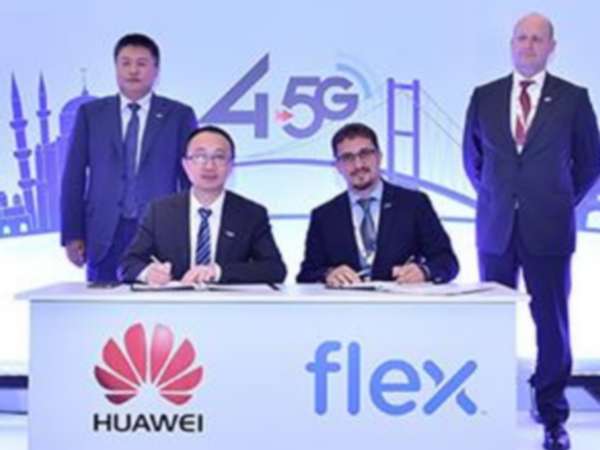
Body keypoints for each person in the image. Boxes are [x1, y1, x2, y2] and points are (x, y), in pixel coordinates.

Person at [462, 13, 600, 450]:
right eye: (521, 38)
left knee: (552, 324)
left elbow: (590, 162)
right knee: (492, 322)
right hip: (496, 227)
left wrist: (555, 197)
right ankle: (487, 408)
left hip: (549, 227)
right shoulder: (484, 97)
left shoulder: (574, 98)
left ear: (551, 48)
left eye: (537, 39)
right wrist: (503, 197)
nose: (528, 45)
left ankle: (552, 415)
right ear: (511, 44)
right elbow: (473, 160)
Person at [60, 33, 197, 282]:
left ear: (156, 70)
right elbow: (73, 177)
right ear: (116, 67)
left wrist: (191, 235)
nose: (133, 70)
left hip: (160, 233)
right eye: (126, 63)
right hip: (103, 234)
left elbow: (190, 180)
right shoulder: (91, 114)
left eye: (141, 63)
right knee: (102, 305)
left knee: (158, 304)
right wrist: (72, 234)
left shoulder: (179, 115)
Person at [119, 126, 287, 285]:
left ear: (231, 166)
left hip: (228, 303)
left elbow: (274, 269)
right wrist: (148, 273)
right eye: (200, 157)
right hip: (174, 303)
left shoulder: (251, 214)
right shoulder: (160, 211)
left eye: (219, 157)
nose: (209, 166)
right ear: (185, 165)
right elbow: (127, 265)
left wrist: (218, 272)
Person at [297, 122, 458, 286]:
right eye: (347, 158)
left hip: (401, 300)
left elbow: (447, 261)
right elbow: (307, 274)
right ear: (337, 166)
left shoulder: (414, 204)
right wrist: (328, 273)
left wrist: (424, 271)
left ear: (379, 157)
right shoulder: (324, 216)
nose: (358, 165)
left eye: (365, 154)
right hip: (345, 301)